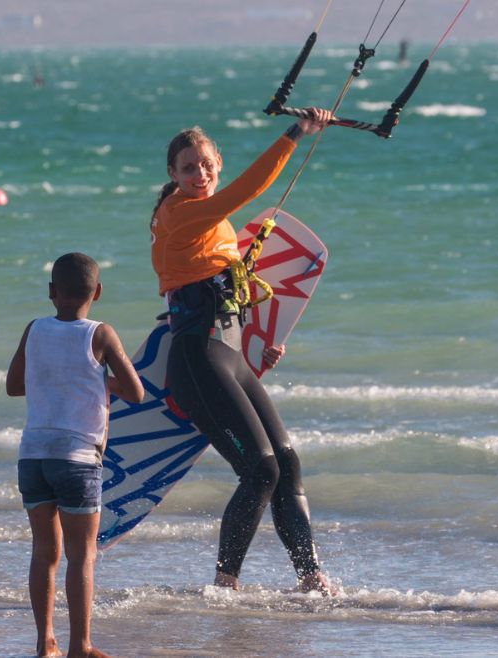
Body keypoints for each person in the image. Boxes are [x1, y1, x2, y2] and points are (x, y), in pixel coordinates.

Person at [149, 107, 336, 594]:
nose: (200, 174)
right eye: (188, 167)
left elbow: (232, 299)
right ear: (172, 175)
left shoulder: (221, 229)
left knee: (287, 464)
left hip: (230, 357)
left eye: (207, 165)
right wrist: (297, 133)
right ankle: (224, 582)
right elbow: (247, 190)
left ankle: (310, 578)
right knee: (261, 469)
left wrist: (256, 352)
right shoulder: (183, 214)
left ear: (217, 163)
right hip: (196, 360)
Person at [6, 252, 144, 658]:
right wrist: (101, 377)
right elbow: (135, 392)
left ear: (51, 292)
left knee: (43, 553)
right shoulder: (101, 334)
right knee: (81, 556)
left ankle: (43, 641)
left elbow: (15, 385)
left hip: (33, 454)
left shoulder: (34, 329)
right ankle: (79, 646)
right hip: (78, 457)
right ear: (97, 292)